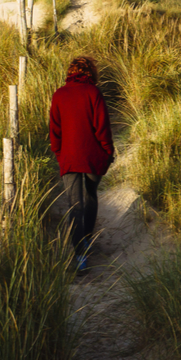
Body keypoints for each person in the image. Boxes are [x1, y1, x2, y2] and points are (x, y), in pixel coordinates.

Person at [47, 56, 114, 270]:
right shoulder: (94, 93)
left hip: (69, 157)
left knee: (74, 205)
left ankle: (79, 257)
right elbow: (102, 128)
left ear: (70, 72)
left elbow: (55, 130)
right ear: (90, 72)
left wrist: (59, 153)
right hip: (93, 155)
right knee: (91, 196)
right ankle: (86, 240)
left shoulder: (59, 94)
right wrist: (108, 151)